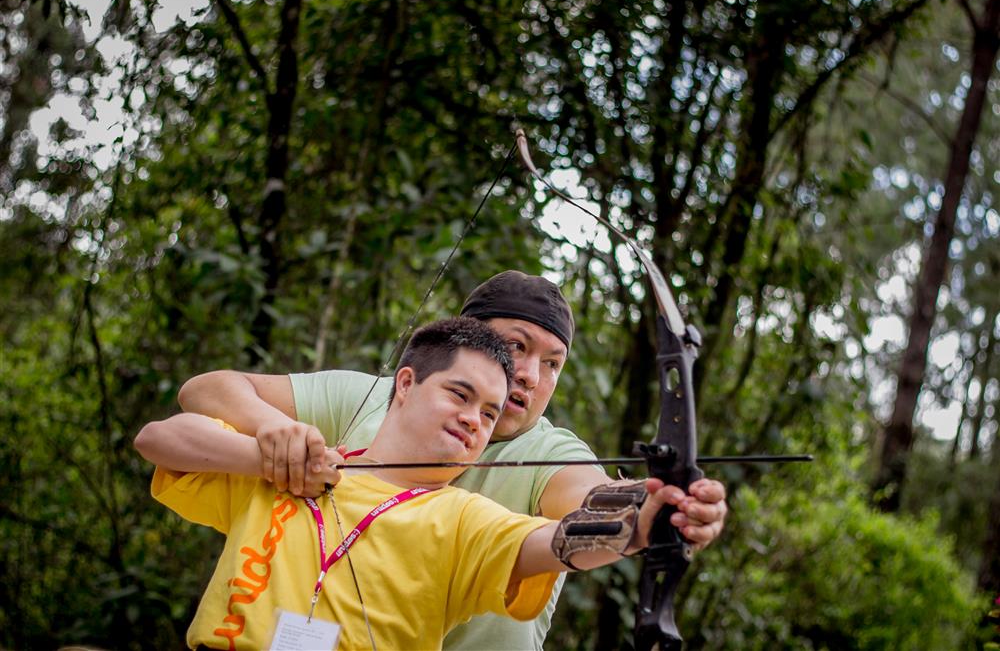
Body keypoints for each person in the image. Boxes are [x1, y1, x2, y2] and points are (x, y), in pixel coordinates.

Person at [177, 270, 728, 650]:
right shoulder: (374, 398)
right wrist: (272, 430)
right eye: (516, 346)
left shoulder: (549, 449)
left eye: (552, 363)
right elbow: (206, 391)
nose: (531, 376)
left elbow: (590, 501)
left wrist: (657, 510)